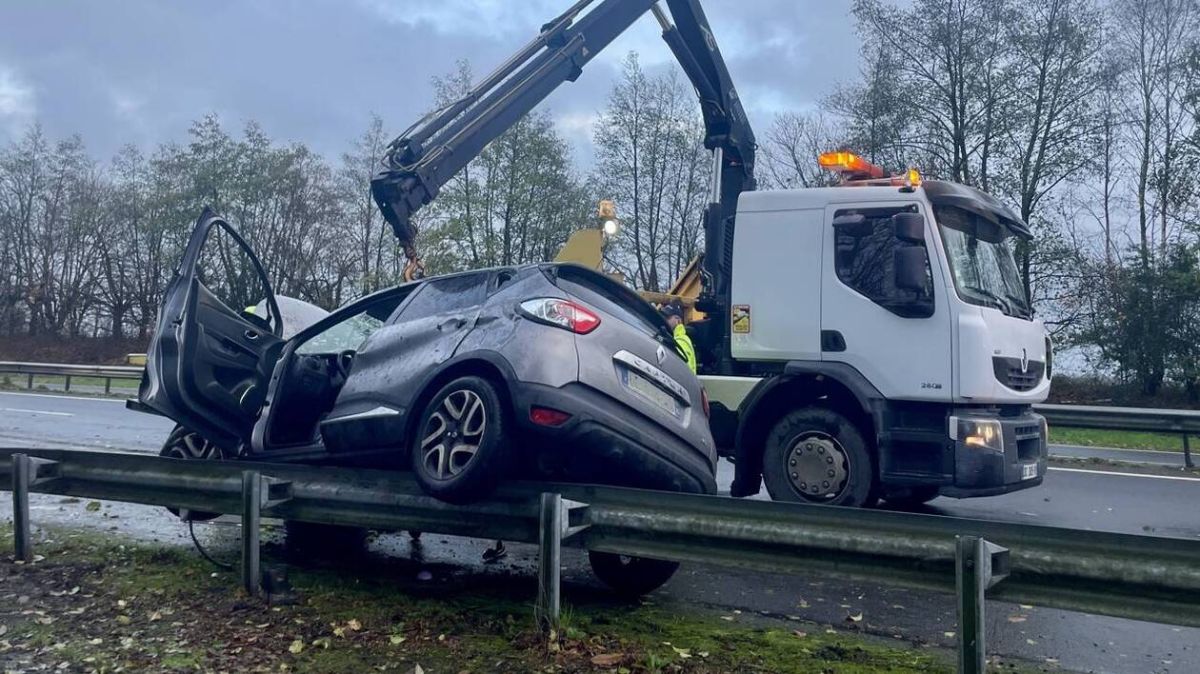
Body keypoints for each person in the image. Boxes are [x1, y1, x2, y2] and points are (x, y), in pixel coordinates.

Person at [661, 303, 696, 374]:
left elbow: (681, 370)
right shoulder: (672, 338)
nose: (664, 320)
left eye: (668, 318)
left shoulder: (682, 341)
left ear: (678, 321)